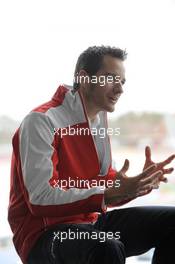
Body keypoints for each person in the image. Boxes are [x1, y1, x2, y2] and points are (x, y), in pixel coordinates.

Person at [8, 46, 175, 264]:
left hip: (91, 224)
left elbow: (105, 189)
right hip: (44, 234)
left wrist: (138, 184)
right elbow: (40, 198)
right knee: (105, 247)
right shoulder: (41, 121)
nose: (119, 89)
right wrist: (105, 194)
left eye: (122, 81)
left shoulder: (98, 124)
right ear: (84, 79)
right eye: (110, 78)